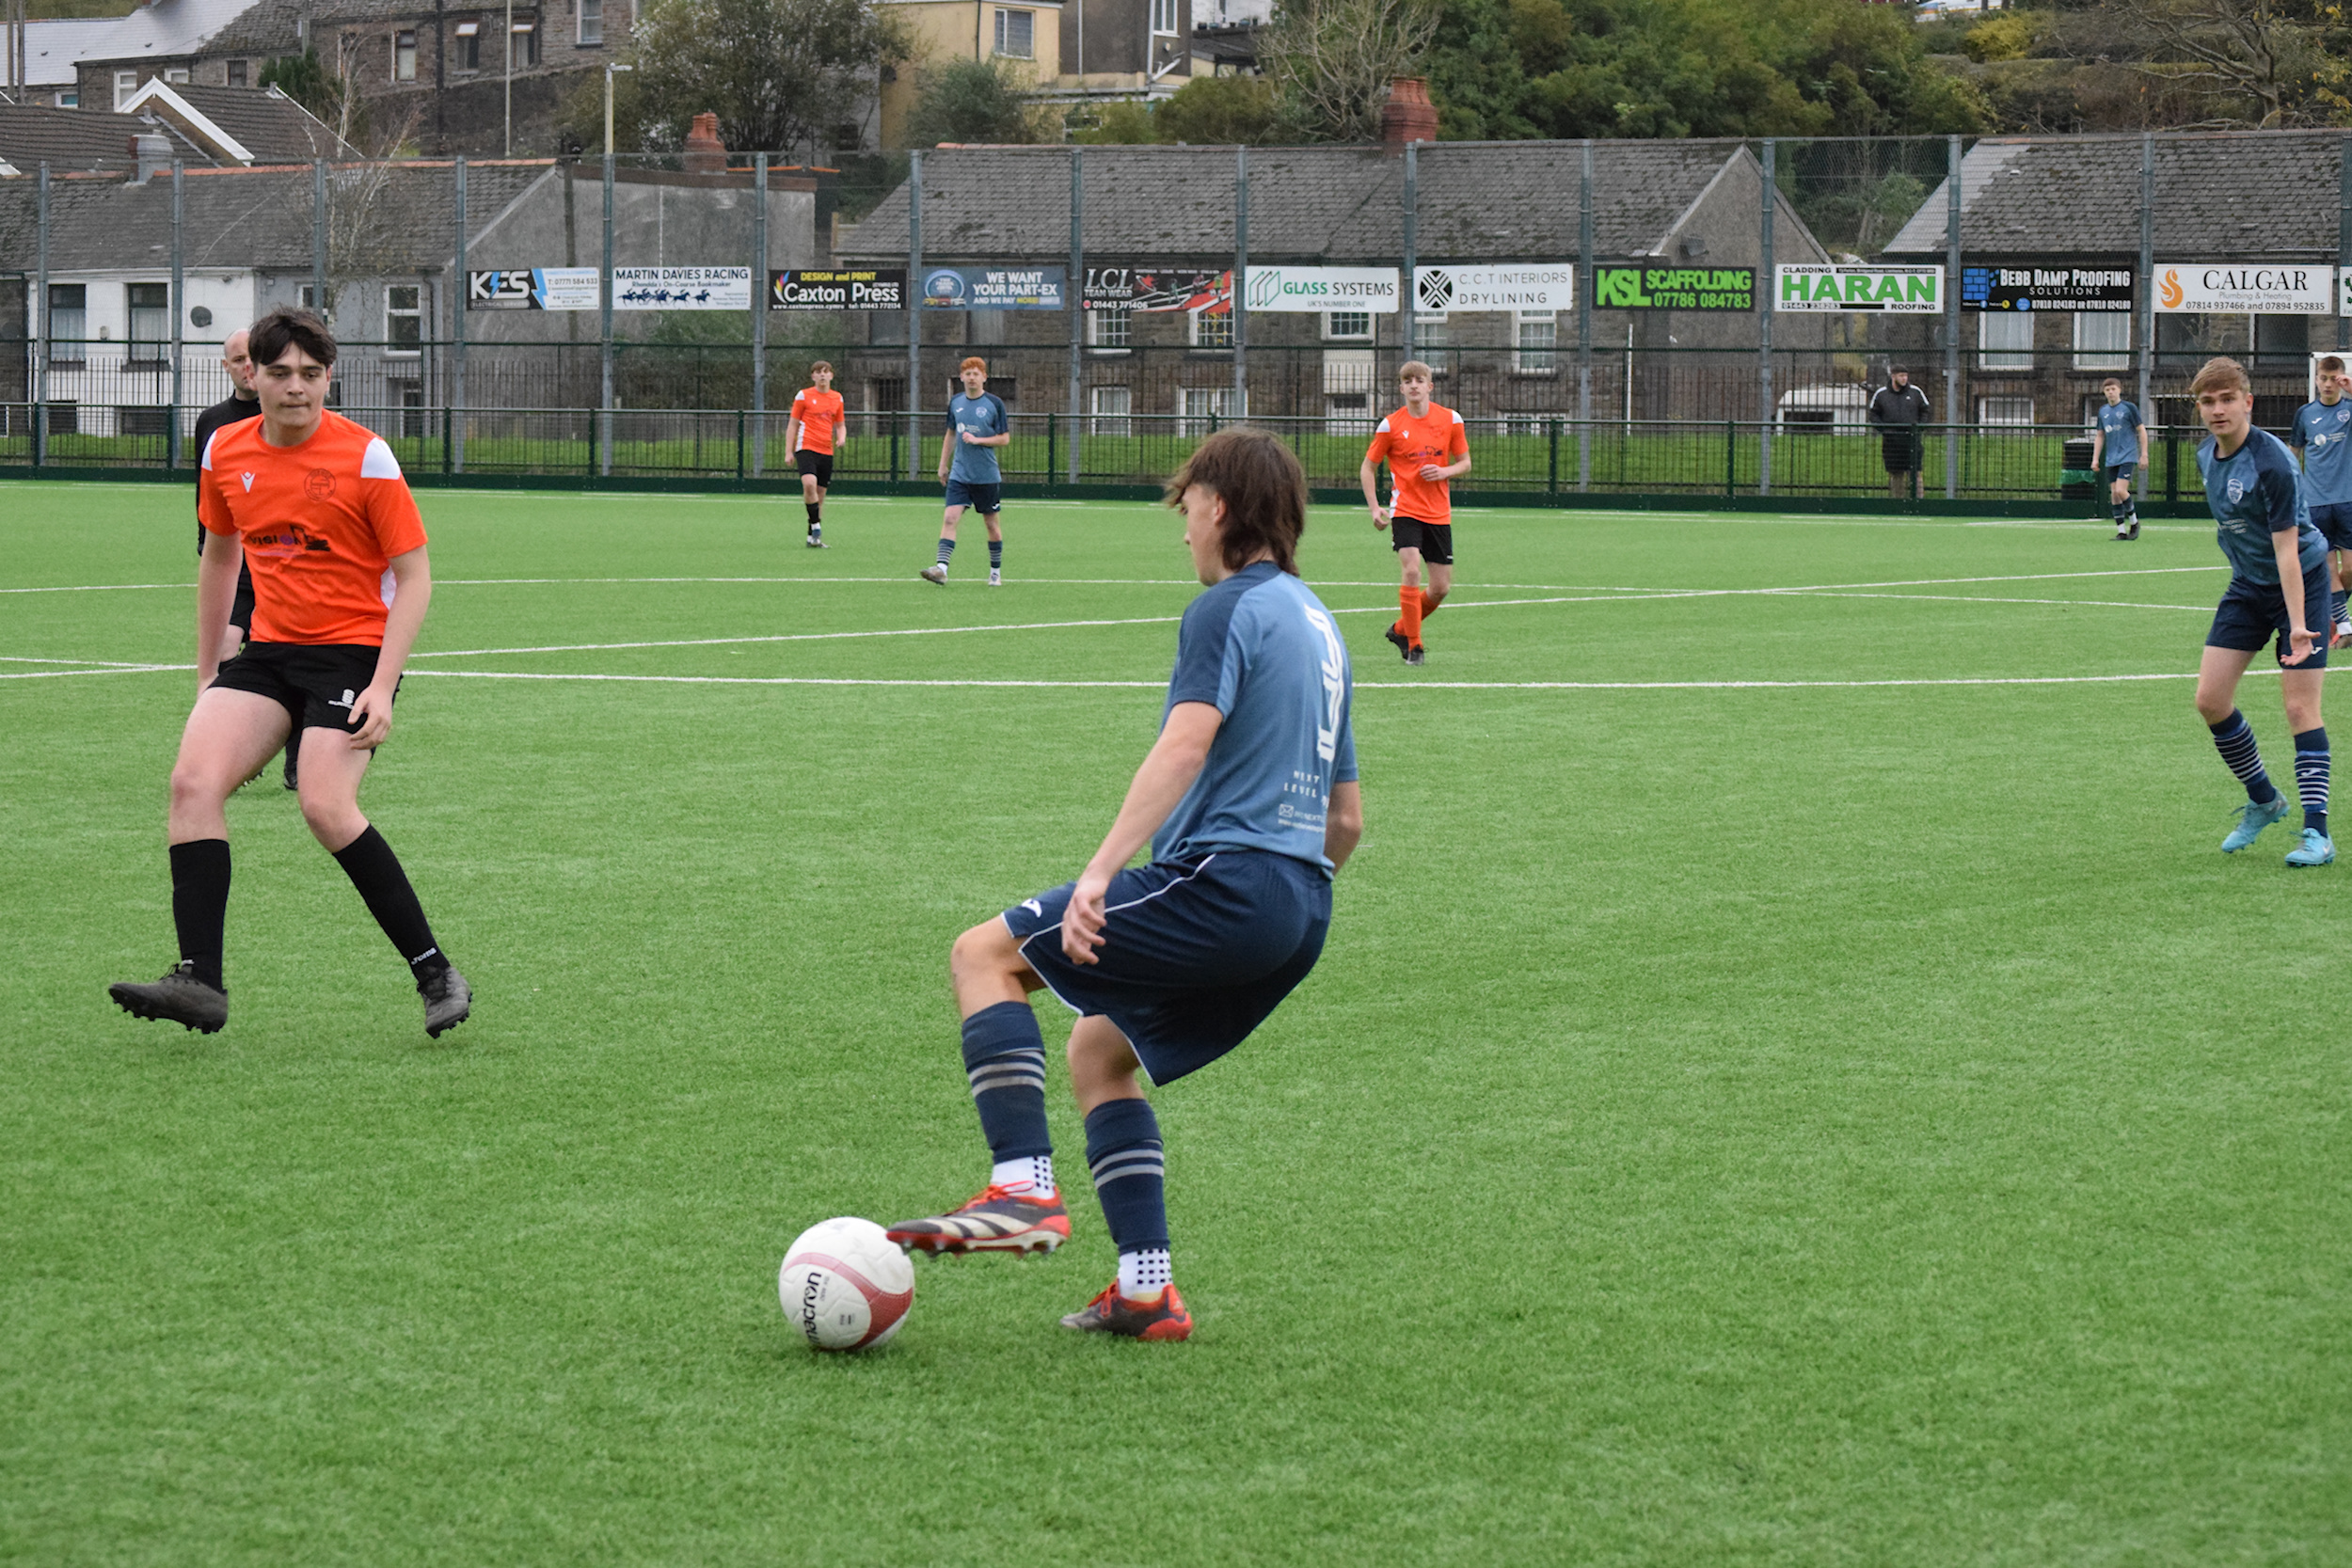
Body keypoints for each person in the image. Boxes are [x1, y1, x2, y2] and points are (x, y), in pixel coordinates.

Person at [886, 428, 1363, 1341]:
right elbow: (1346, 823)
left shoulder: (1225, 609)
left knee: (983, 952)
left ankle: (1022, 1187)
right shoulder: (1320, 623)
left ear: (1218, 507)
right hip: (1300, 911)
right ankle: (1146, 1288)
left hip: (1227, 882)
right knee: (1099, 1052)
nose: (1183, 532)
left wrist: (1105, 867)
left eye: (1186, 512)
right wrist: (1280, 900)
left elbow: (1186, 740)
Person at [107, 308, 473, 1036]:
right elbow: (219, 556)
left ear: (328, 378)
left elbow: (416, 575)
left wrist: (382, 685)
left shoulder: (366, 456)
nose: (296, 388)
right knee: (192, 783)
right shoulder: (224, 450)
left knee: (324, 805)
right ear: (254, 375)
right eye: (280, 373)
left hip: (354, 652)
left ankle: (436, 972)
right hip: (270, 651)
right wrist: (210, 669)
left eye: (311, 374)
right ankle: (200, 981)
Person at [2187, 356, 2334, 868]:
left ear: (2247, 402)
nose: (2217, 410)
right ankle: (2264, 800)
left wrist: (2297, 625)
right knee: (2210, 700)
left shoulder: (2271, 461)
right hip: (2248, 585)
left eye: (2227, 399)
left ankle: (2317, 833)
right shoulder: (2206, 454)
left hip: (2302, 582)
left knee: (2299, 708)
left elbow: (2288, 550)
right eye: (2208, 402)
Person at [190, 328, 295, 789]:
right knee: (227, 647)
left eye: (254, 358)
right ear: (227, 366)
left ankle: (297, 759)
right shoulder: (212, 423)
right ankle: (236, 751)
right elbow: (208, 495)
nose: (247, 367)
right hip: (237, 561)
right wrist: (206, 543)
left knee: (291, 656)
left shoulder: (291, 417)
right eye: (238, 360)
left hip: (281, 559)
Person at [1359, 360, 1470, 667]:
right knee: (1410, 572)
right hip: (1405, 510)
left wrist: (1444, 470)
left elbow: (1465, 462)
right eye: (1407, 381)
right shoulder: (1391, 425)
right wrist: (1374, 507)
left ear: (1429, 386)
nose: (1414, 385)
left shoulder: (1450, 419)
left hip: (1438, 513)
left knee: (1441, 588)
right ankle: (1415, 645)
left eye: (1419, 380)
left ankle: (1400, 630)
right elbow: (1368, 467)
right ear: (1401, 388)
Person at [920, 357, 1009, 587]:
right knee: (950, 518)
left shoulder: (994, 404)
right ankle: (941, 568)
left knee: (991, 526)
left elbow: (1004, 439)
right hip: (960, 474)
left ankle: (995, 572)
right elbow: (950, 434)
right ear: (961, 377)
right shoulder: (956, 402)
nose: (971, 377)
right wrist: (943, 464)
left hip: (986, 476)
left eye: (976, 374)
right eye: (967, 373)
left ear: (984, 377)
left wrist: (978, 440)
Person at [2290, 354, 2352, 645]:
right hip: (2315, 503)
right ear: (2316, 380)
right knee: (2328, 567)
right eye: (2323, 378)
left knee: (2349, 569)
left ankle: (2334, 611)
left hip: (2348, 500)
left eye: (2334, 378)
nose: (2328, 384)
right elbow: (2294, 453)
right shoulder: (2305, 414)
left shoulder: (2349, 409)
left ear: (2342, 379)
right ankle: (2345, 625)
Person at [787, 360, 846, 549]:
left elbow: (840, 424)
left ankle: (813, 537)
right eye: (818, 372)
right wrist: (789, 450)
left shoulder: (837, 398)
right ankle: (816, 525)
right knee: (809, 484)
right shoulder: (803, 396)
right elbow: (793, 424)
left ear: (831, 376)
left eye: (826, 372)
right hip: (806, 447)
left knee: (819, 496)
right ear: (813, 376)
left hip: (826, 451)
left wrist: (841, 438)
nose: (822, 375)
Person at [2089, 374, 2144, 542]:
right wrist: (2095, 458)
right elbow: (2100, 436)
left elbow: (2141, 430)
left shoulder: (2129, 408)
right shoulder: (2103, 411)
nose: (2111, 392)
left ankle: (2134, 522)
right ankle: (2121, 531)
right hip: (2112, 458)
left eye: (2113, 389)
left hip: (2127, 455)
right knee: (2114, 494)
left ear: (2119, 390)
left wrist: (2144, 454)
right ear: (2104, 393)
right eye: (2107, 390)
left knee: (2121, 490)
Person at [1867, 367, 1931, 501]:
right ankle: (1898, 503)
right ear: (1893, 376)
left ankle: (1919, 502)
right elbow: (1873, 414)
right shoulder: (1881, 394)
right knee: (1896, 475)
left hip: (1912, 440)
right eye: (1901, 375)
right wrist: (1884, 430)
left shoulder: (1915, 392)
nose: (1904, 378)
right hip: (1891, 442)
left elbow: (1925, 411)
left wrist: (1919, 428)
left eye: (1906, 376)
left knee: (1915, 474)